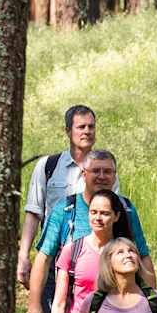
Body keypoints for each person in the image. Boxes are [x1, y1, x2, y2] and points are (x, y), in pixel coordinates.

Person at [26, 149, 154, 313]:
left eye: (108, 171)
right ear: (83, 174)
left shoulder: (125, 210)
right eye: (96, 171)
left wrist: (152, 305)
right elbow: (43, 259)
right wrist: (34, 304)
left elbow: (143, 256)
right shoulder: (66, 210)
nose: (102, 176)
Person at [16, 104, 97, 290]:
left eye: (91, 126)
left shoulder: (103, 171)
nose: (87, 131)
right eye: (81, 127)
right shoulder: (48, 166)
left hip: (91, 261)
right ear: (68, 131)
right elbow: (34, 213)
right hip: (52, 258)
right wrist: (23, 256)